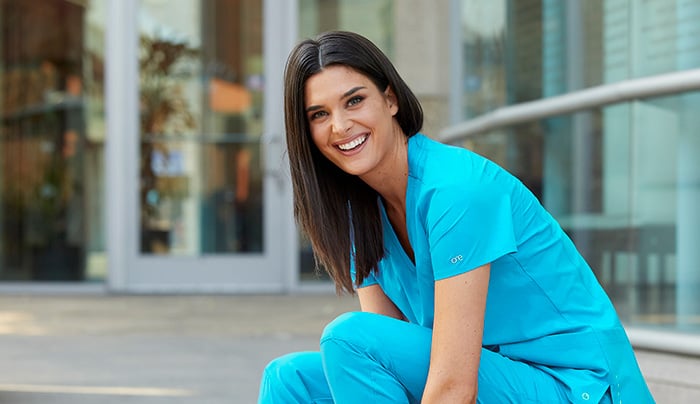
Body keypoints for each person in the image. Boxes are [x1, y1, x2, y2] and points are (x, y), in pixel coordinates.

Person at [258, 30, 655, 404]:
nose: (341, 126)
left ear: (391, 100)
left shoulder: (456, 191)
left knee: (346, 338)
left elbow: (453, 387)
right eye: (319, 114)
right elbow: (385, 356)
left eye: (354, 101)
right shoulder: (358, 214)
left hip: (576, 388)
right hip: (498, 381)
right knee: (288, 379)